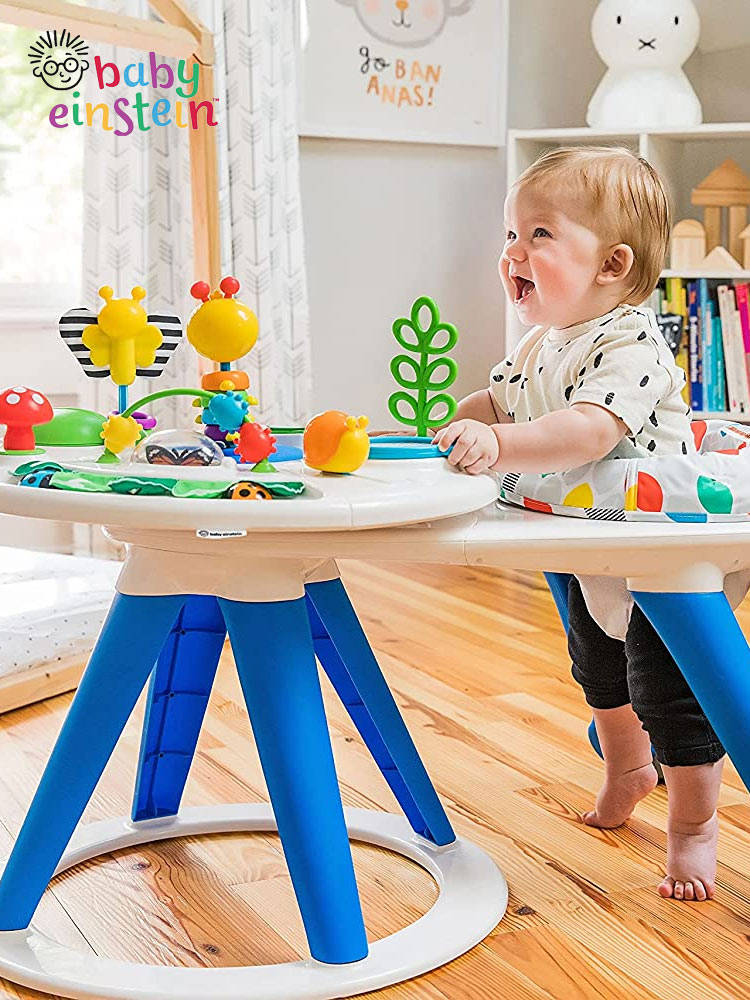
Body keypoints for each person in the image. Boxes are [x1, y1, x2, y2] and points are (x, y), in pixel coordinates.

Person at [433, 146, 724, 902]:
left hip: (655, 546)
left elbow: (588, 431)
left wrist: (497, 448)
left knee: (668, 694)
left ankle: (694, 827)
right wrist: (455, 424)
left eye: (538, 235)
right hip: (585, 534)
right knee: (597, 669)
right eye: (508, 235)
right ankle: (626, 766)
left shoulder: (633, 342)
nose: (512, 253)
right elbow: (498, 403)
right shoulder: (541, 343)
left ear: (611, 264)